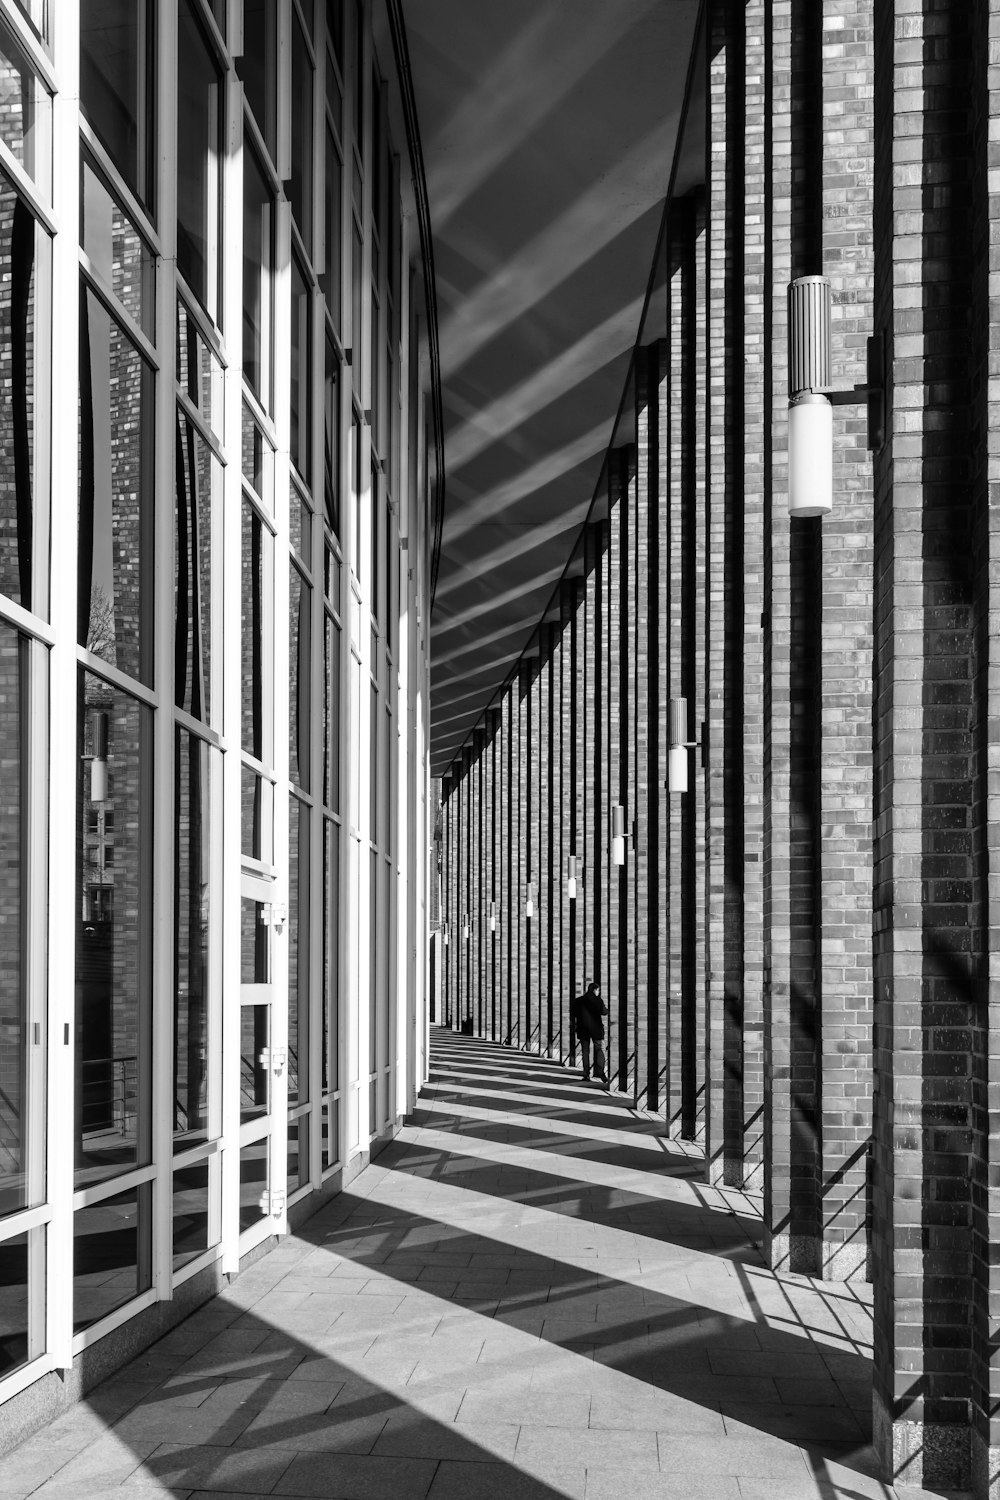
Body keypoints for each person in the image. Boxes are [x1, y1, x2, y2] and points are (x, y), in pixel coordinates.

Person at [572, 980, 608, 1084]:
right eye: (598, 990)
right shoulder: (598, 1001)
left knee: (585, 1052)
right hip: (596, 1030)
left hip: (583, 1030)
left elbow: (573, 1015)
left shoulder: (578, 1001)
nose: (599, 993)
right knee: (600, 1050)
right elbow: (604, 1012)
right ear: (594, 990)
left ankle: (586, 1074)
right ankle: (601, 1073)